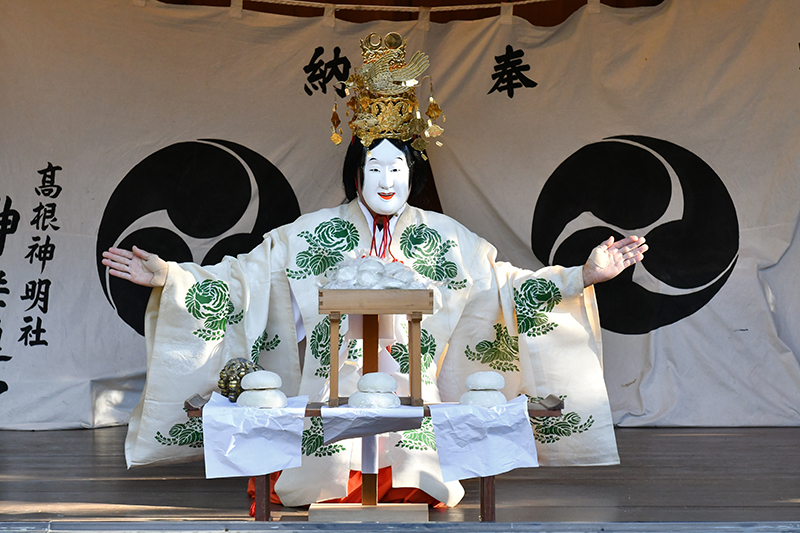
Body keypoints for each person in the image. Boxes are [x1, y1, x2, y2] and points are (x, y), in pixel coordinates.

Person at [103, 32, 646, 508]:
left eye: (398, 167)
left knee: (419, 470)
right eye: (375, 167)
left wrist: (581, 276)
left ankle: (411, 470)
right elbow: (244, 280)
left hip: (415, 401)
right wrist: (173, 278)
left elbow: (506, 286)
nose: (387, 181)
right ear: (356, 172)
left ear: (413, 173)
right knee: (321, 471)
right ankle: (328, 472)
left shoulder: (448, 239)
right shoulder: (308, 234)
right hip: (331, 396)